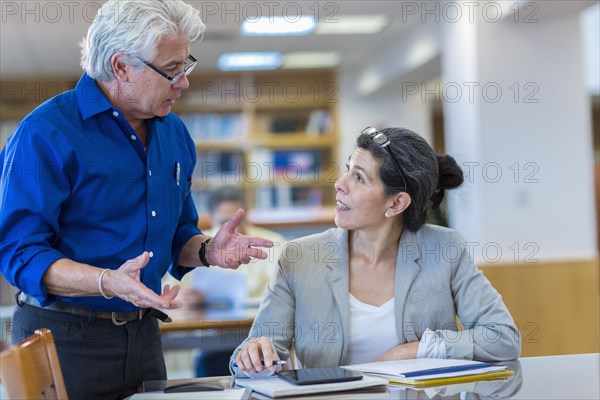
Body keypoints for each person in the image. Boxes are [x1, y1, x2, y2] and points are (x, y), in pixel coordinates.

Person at [0, 1, 272, 399]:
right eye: (171, 70)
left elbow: (179, 235)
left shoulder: (174, 133)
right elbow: (19, 253)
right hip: (62, 338)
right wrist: (107, 281)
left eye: (186, 65)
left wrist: (211, 250)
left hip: (143, 335)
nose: (183, 83)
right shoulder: (44, 133)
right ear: (121, 66)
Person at [232, 127, 521, 375]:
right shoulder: (300, 258)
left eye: (359, 178)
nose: (339, 184)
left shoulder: (444, 249)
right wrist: (254, 357)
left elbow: (503, 338)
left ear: (396, 204)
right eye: (348, 170)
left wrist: (413, 351)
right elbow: (250, 356)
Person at [170, 185, 286, 377]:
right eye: (225, 221)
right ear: (211, 217)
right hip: (214, 337)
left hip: (261, 337)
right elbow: (173, 291)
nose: (235, 229)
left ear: (248, 214)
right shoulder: (198, 246)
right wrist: (184, 297)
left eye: (239, 220)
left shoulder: (274, 243)